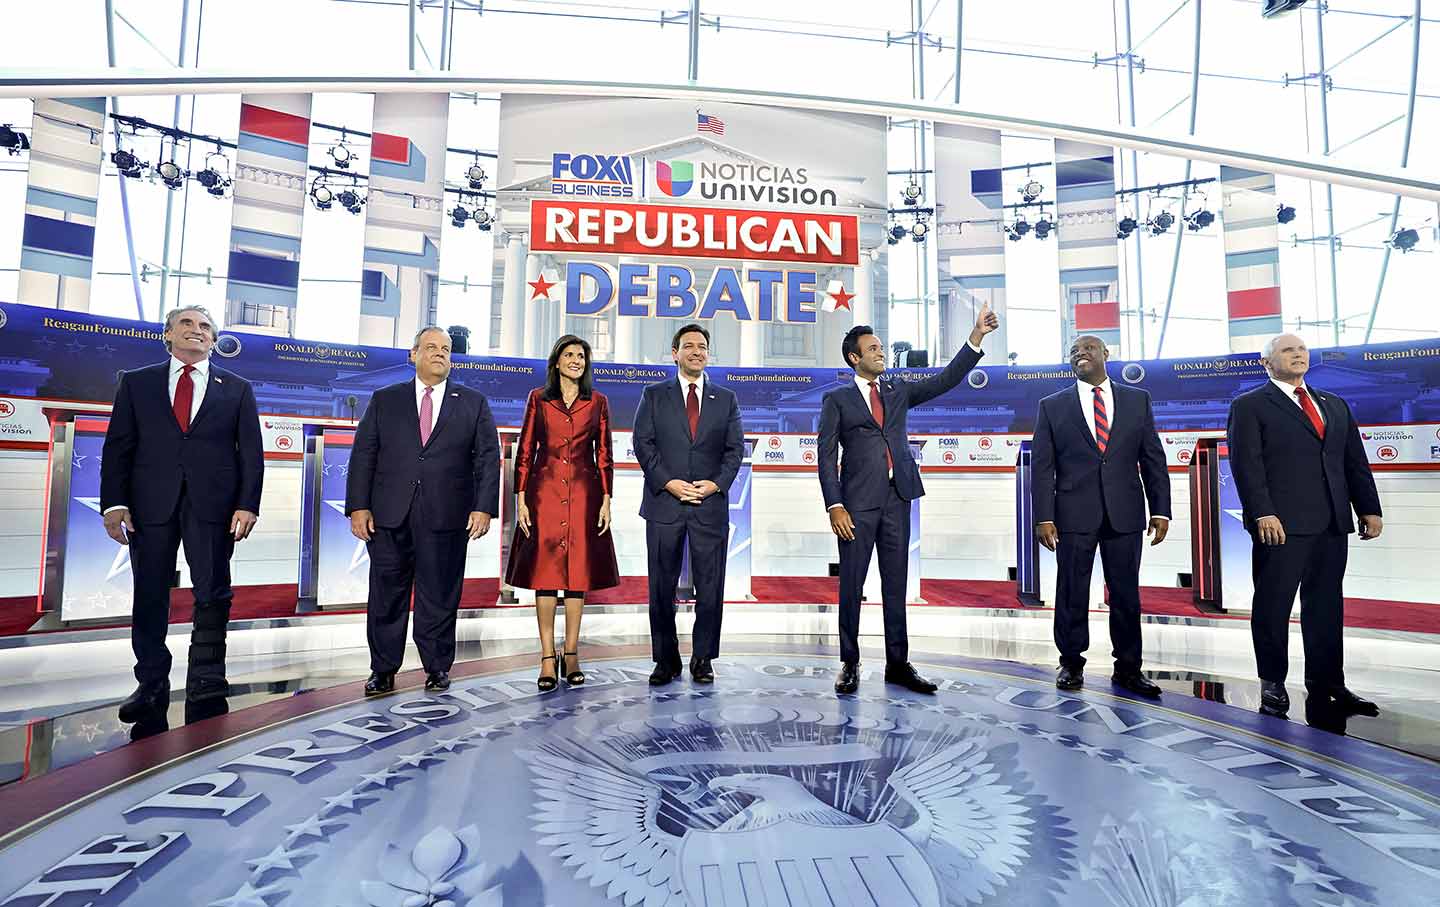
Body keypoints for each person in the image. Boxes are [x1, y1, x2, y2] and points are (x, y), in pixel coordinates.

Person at [819, 301, 999, 695]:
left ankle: (898, 664)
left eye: (882, 348)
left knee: (895, 585)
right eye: (873, 349)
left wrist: (976, 337)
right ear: (855, 357)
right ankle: (849, 663)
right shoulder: (836, 400)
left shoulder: (897, 390)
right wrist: (835, 505)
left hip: (897, 498)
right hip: (854, 506)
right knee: (851, 585)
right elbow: (826, 455)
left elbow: (945, 379)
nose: (881, 353)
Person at [100, 305, 263, 725]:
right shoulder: (137, 383)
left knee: (213, 590)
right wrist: (114, 503)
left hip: (215, 506)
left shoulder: (237, 388)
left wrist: (248, 503)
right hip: (149, 504)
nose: (197, 331)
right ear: (167, 335)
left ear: (213, 340)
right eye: (187, 324)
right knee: (150, 592)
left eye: (205, 326)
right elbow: (118, 447)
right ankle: (151, 682)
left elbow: (251, 453)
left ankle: (207, 678)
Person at [1226, 333, 1382, 719]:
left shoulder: (1333, 403)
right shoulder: (1250, 405)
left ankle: (1329, 684)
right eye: (1287, 350)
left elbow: (1354, 462)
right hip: (1280, 524)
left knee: (1327, 606)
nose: (1297, 355)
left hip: (1331, 522)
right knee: (1273, 606)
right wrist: (1263, 512)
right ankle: (1273, 684)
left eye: (1301, 350)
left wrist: (1368, 508)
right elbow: (1247, 466)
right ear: (1267, 362)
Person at [345, 326, 500, 695]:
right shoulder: (385, 400)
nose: (439, 354)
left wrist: (483, 508)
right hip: (388, 515)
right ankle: (382, 668)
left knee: (440, 593)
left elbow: (488, 459)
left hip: (447, 515)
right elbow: (364, 454)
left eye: (446, 349)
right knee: (387, 594)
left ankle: (437, 667)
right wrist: (358, 507)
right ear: (413, 355)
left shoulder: (472, 402)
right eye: (431, 347)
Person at [1031, 334, 1171, 699]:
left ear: (1106, 354)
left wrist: (1161, 509)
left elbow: (1152, 458)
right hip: (1073, 514)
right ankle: (1071, 662)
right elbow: (1043, 468)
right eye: (1074, 351)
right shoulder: (1052, 405)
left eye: (1088, 349)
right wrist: (1043, 515)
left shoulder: (1137, 400)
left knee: (1126, 594)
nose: (1080, 354)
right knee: (1072, 591)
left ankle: (1128, 668)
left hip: (1125, 513)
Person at [505, 334, 620, 691]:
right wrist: (520, 497)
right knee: (546, 574)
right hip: (545, 492)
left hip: (586, 494)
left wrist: (606, 498)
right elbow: (525, 449)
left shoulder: (597, 401)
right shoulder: (538, 399)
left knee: (577, 574)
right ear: (556, 362)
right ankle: (545, 656)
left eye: (581, 356)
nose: (576, 360)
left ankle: (571, 653)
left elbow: (605, 454)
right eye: (569, 355)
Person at [632, 323, 744, 686]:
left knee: (711, 587)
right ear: (674, 353)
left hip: (709, 506)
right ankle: (665, 660)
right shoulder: (654, 394)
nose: (696, 351)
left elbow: (734, 450)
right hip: (665, 504)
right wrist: (668, 482)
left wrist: (716, 484)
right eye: (689, 346)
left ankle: (703, 658)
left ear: (708, 354)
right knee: (661, 588)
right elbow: (643, 443)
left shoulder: (725, 399)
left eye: (702, 346)